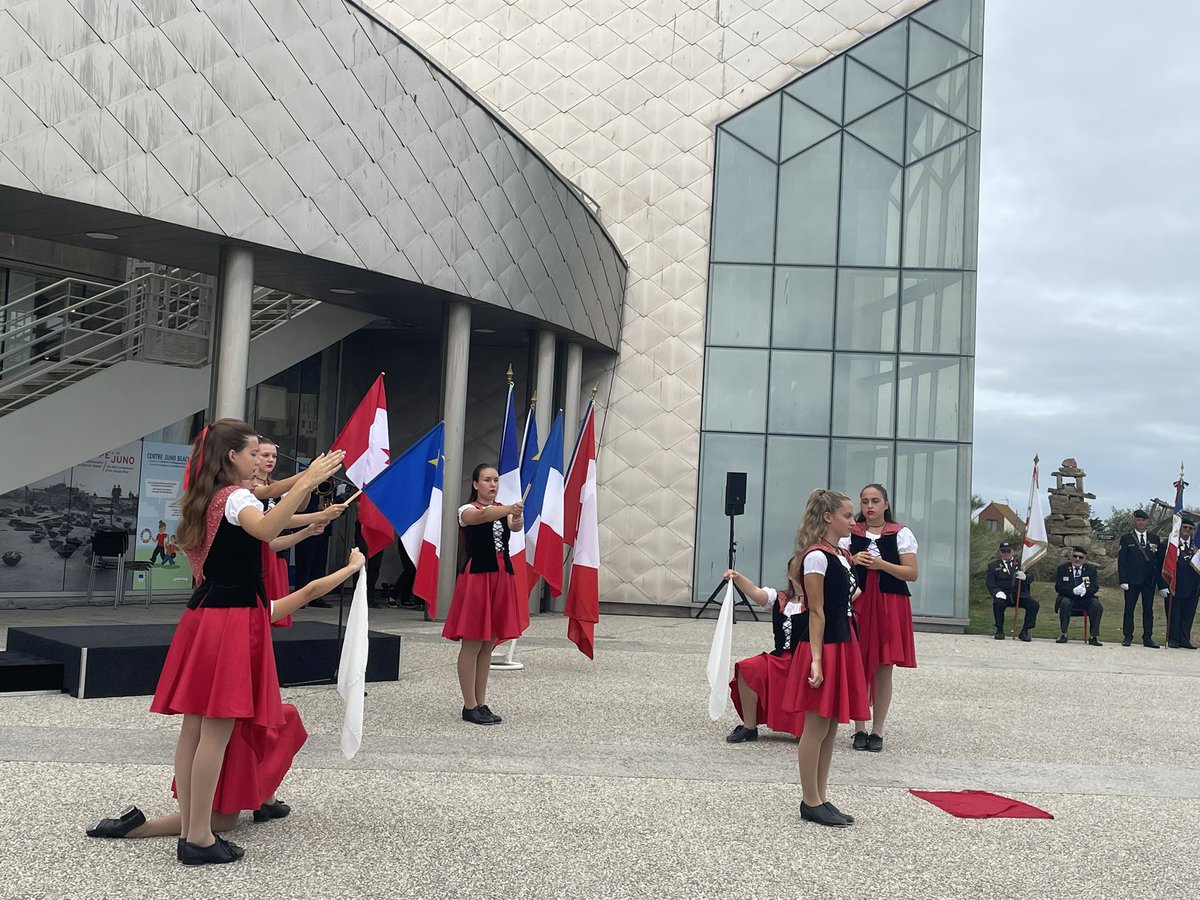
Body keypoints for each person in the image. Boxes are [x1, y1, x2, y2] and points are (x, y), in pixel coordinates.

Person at [149, 419, 344, 866]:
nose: (262, 460)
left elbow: (268, 501)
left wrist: (310, 477)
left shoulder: (215, 494)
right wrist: (311, 480)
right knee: (215, 730)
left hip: (205, 614)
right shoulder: (235, 497)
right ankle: (197, 838)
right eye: (254, 452)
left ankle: (192, 825)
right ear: (233, 456)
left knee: (194, 729)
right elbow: (266, 528)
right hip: (231, 620)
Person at [87, 548, 367, 841]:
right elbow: (310, 590)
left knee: (275, 721)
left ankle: (264, 801)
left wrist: (307, 532)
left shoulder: (206, 606)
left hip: (213, 711)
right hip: (234, 721)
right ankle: (145, 828)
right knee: (227, 811)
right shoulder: (251, 607)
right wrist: (351, 567)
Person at [782, 489, 867, 827]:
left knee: (831, 725)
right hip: (823, 646)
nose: (853, 520)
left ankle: (821, 795)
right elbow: (815, 612)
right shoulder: (817, 556)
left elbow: (848, 596)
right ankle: (809, 799)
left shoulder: (841, 554)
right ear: (829, 518)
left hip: (842, 641)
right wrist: (816, 661)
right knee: (816, 726)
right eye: (848, 515)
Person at [442, 464, 524, 725]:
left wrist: (517, 516)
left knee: (489, 641)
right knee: (474, 641)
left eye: (496, 480)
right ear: (475, 484)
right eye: (487, 480)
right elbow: (483, 516)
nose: (493, 484)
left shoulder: (500, 508)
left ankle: (480, 701)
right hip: (478, 576)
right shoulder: (466, 510)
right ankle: (469, 705)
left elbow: (514, 526)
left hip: (500, 573)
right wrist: (509, 510)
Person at [844, 484, 918, 754]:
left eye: (875, 501)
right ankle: (859, 728)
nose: (870, 506)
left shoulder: (901, 533)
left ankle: (878, 730)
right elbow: (836, 566)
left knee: (884, 667)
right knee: (857, 662)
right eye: (865, 501)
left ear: (886, 504)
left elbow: (911, 573)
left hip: (889, 602)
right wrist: (853, 560)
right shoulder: (849, 534)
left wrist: (880, 564)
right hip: (859, 601)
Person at [252, 436, 346, 626]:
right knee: (258, 613)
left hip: (276, 551)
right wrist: (307, 477)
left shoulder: (274, 485)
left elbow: (299, 507)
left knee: (271, 615)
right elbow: (270, 513)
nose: (270, 460)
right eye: (265, 455)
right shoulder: (250, 489)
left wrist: (309, 486)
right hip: (258, 551)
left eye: (274, 456)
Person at [721, 569, 806, 743]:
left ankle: (806, 729)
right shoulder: (779, 598)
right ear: (790, 575)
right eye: (799, 571)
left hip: (805, 658)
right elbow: (753, 590)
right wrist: (737, 577)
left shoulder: (819, 600)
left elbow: (855, 592)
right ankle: (749, 727)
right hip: (780, 657)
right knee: (747, 668)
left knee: (803, 735)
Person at [1117, 509, 1168, 647]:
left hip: (1149, 580)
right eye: (1138, 520)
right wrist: (1123, 580)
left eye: (1143, 520)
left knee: (1148, 609)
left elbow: (1159, 563)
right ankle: (1128, 636)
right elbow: (1122, 561)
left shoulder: (1154, 539)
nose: (1140, 523)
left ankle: (1148, 637)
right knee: (1129, 609)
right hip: (1132, 581)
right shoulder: (1127, 538)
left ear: (1147, 522)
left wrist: (1162, 584)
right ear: (1134, 521)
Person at [985, 541, 1037, 641]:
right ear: (1000, 552)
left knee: (1034, 605)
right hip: (1004, 594)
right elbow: (990, 583)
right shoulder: (993, 565)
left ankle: (1025, 631)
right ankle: (999, 629)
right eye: (1003, 551)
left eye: (1008, 551)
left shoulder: (1022, 564)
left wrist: (1025, 577)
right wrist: (997, 592)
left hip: (1019, 594)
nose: (1006, 553)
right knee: (998, 603)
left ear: (1013, 552)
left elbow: (1031, 577)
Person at [1054, 546, 1103, 646]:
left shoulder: (1091, 570)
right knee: (1064, 603)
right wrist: (1072, 591)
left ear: (1084, 559)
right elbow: (1058, 587)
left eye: (1080, 557)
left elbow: (1095, 587)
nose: (1077, 559)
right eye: (1075, 556)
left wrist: (1085, 591)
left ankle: (1094, 636)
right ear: (1071, 557)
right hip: (1069, 597)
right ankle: (1063, 634)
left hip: (1085, 598)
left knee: (1097, 605)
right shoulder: (1063, 568)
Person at [1168, 518, 1199, 649]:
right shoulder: (1172, 545)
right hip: (1177, 584)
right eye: (1185, 527)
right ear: (1180, 529)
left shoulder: (1196, 546)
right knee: (1175, 614)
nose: (1187, 530)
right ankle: (1173, 639)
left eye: (1190, 528)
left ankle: (1184, 639)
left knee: (1188, 614)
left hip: (1193, 586)